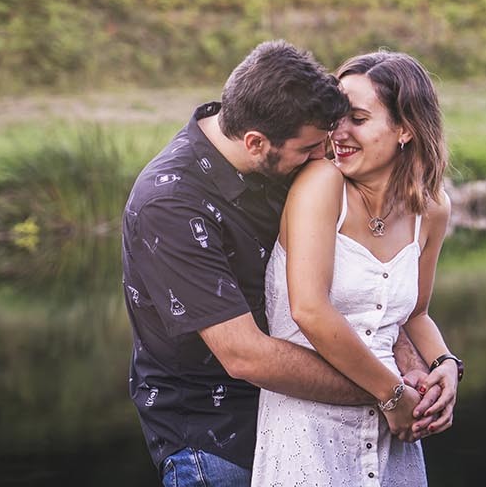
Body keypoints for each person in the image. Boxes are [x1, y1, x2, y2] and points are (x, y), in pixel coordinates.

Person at [121, 41, 449, 487]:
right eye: (314, 146)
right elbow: (245, 354)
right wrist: (389, 394)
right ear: (256, 143)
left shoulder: (287, 145)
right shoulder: (170, 204)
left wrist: (424, 365)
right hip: (215, 440)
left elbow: (379, 297)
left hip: (330, 426)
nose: (325, 155)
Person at [253, 50, 462, 487]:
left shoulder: (432, 209)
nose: (339, 133)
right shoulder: (321, 183)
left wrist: (444, 364)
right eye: (337, 117)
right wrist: (393, 394)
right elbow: (308, 310)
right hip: (309, 437)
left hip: (395, 441)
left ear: (405, 129)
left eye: (359, 119)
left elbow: (416, 314)